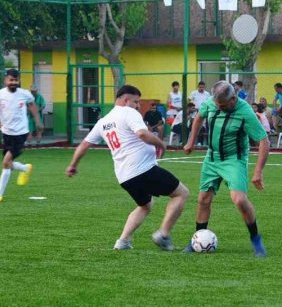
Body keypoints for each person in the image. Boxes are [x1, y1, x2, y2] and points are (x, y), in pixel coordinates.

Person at [66, 84, 189, 251]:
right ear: (125, 100)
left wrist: (73, 165)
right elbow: (142, 134)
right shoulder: (129, 112)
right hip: (143, 169)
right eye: (136, 102)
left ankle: (123, 241)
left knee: (145, 205)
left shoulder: (103, 121)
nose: (138, 106)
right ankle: (164, 234)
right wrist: (161, 144)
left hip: (125, 177)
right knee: (181, 193)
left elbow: (84, 145)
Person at [182, 81, 271, 257]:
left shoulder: (245, 112)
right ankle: (197, 239)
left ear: (233, 98)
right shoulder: (211, 103)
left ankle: (256, 239)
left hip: (234, 160)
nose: (219, 108)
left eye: (222, 105)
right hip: (212, 158)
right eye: (217, 105)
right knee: (203, 199)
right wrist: (191, 141)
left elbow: (263, 140)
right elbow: (199, 117)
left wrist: (258, 172)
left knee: (239, 200)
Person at [0, 69, 42, 203]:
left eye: (16, 80)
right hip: (6, 133)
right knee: (8, 163)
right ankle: (25, 168)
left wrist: (38, 121)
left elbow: (32, 106)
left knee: (5, 163)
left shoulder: (25, 94)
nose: (13, 82)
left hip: (21, 133)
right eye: (11, 80)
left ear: (19, 81)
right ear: (5, 81)